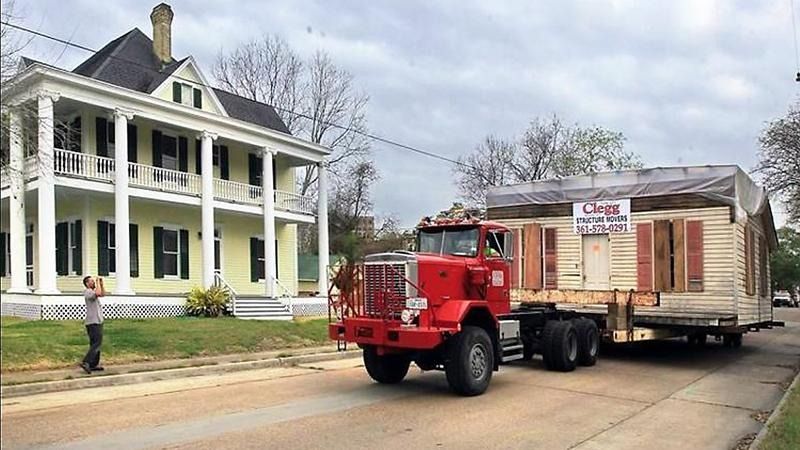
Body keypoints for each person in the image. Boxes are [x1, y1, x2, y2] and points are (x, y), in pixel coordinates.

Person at [80, 275, 106, 374]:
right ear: (87, 283)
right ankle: (86, 362)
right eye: (91, 281)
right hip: (92, 322)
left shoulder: (93, 292)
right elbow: (98, 293)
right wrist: (98, 282)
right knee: (96, 343)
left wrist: (101, 284)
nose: (93, 283)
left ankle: (93, 364)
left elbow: (102, 293)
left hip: (98, 321)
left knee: (96, 343)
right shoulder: (88, 292)